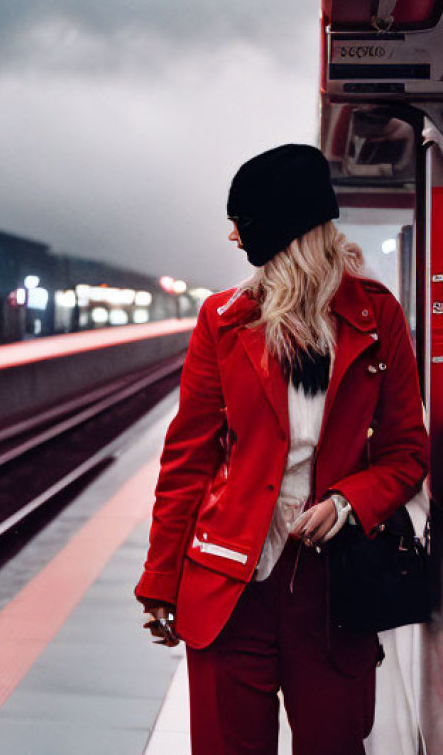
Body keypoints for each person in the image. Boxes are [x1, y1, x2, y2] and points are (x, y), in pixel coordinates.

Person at [134, 144, 429, 755]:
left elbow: (406, 450)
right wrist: (161, 579)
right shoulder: (224, 320)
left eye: (243, 221)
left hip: (334, 592)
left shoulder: (378, 317)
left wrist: (350, 500)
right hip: (229, 583)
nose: (233, 236)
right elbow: (188, 457)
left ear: (284, 228)